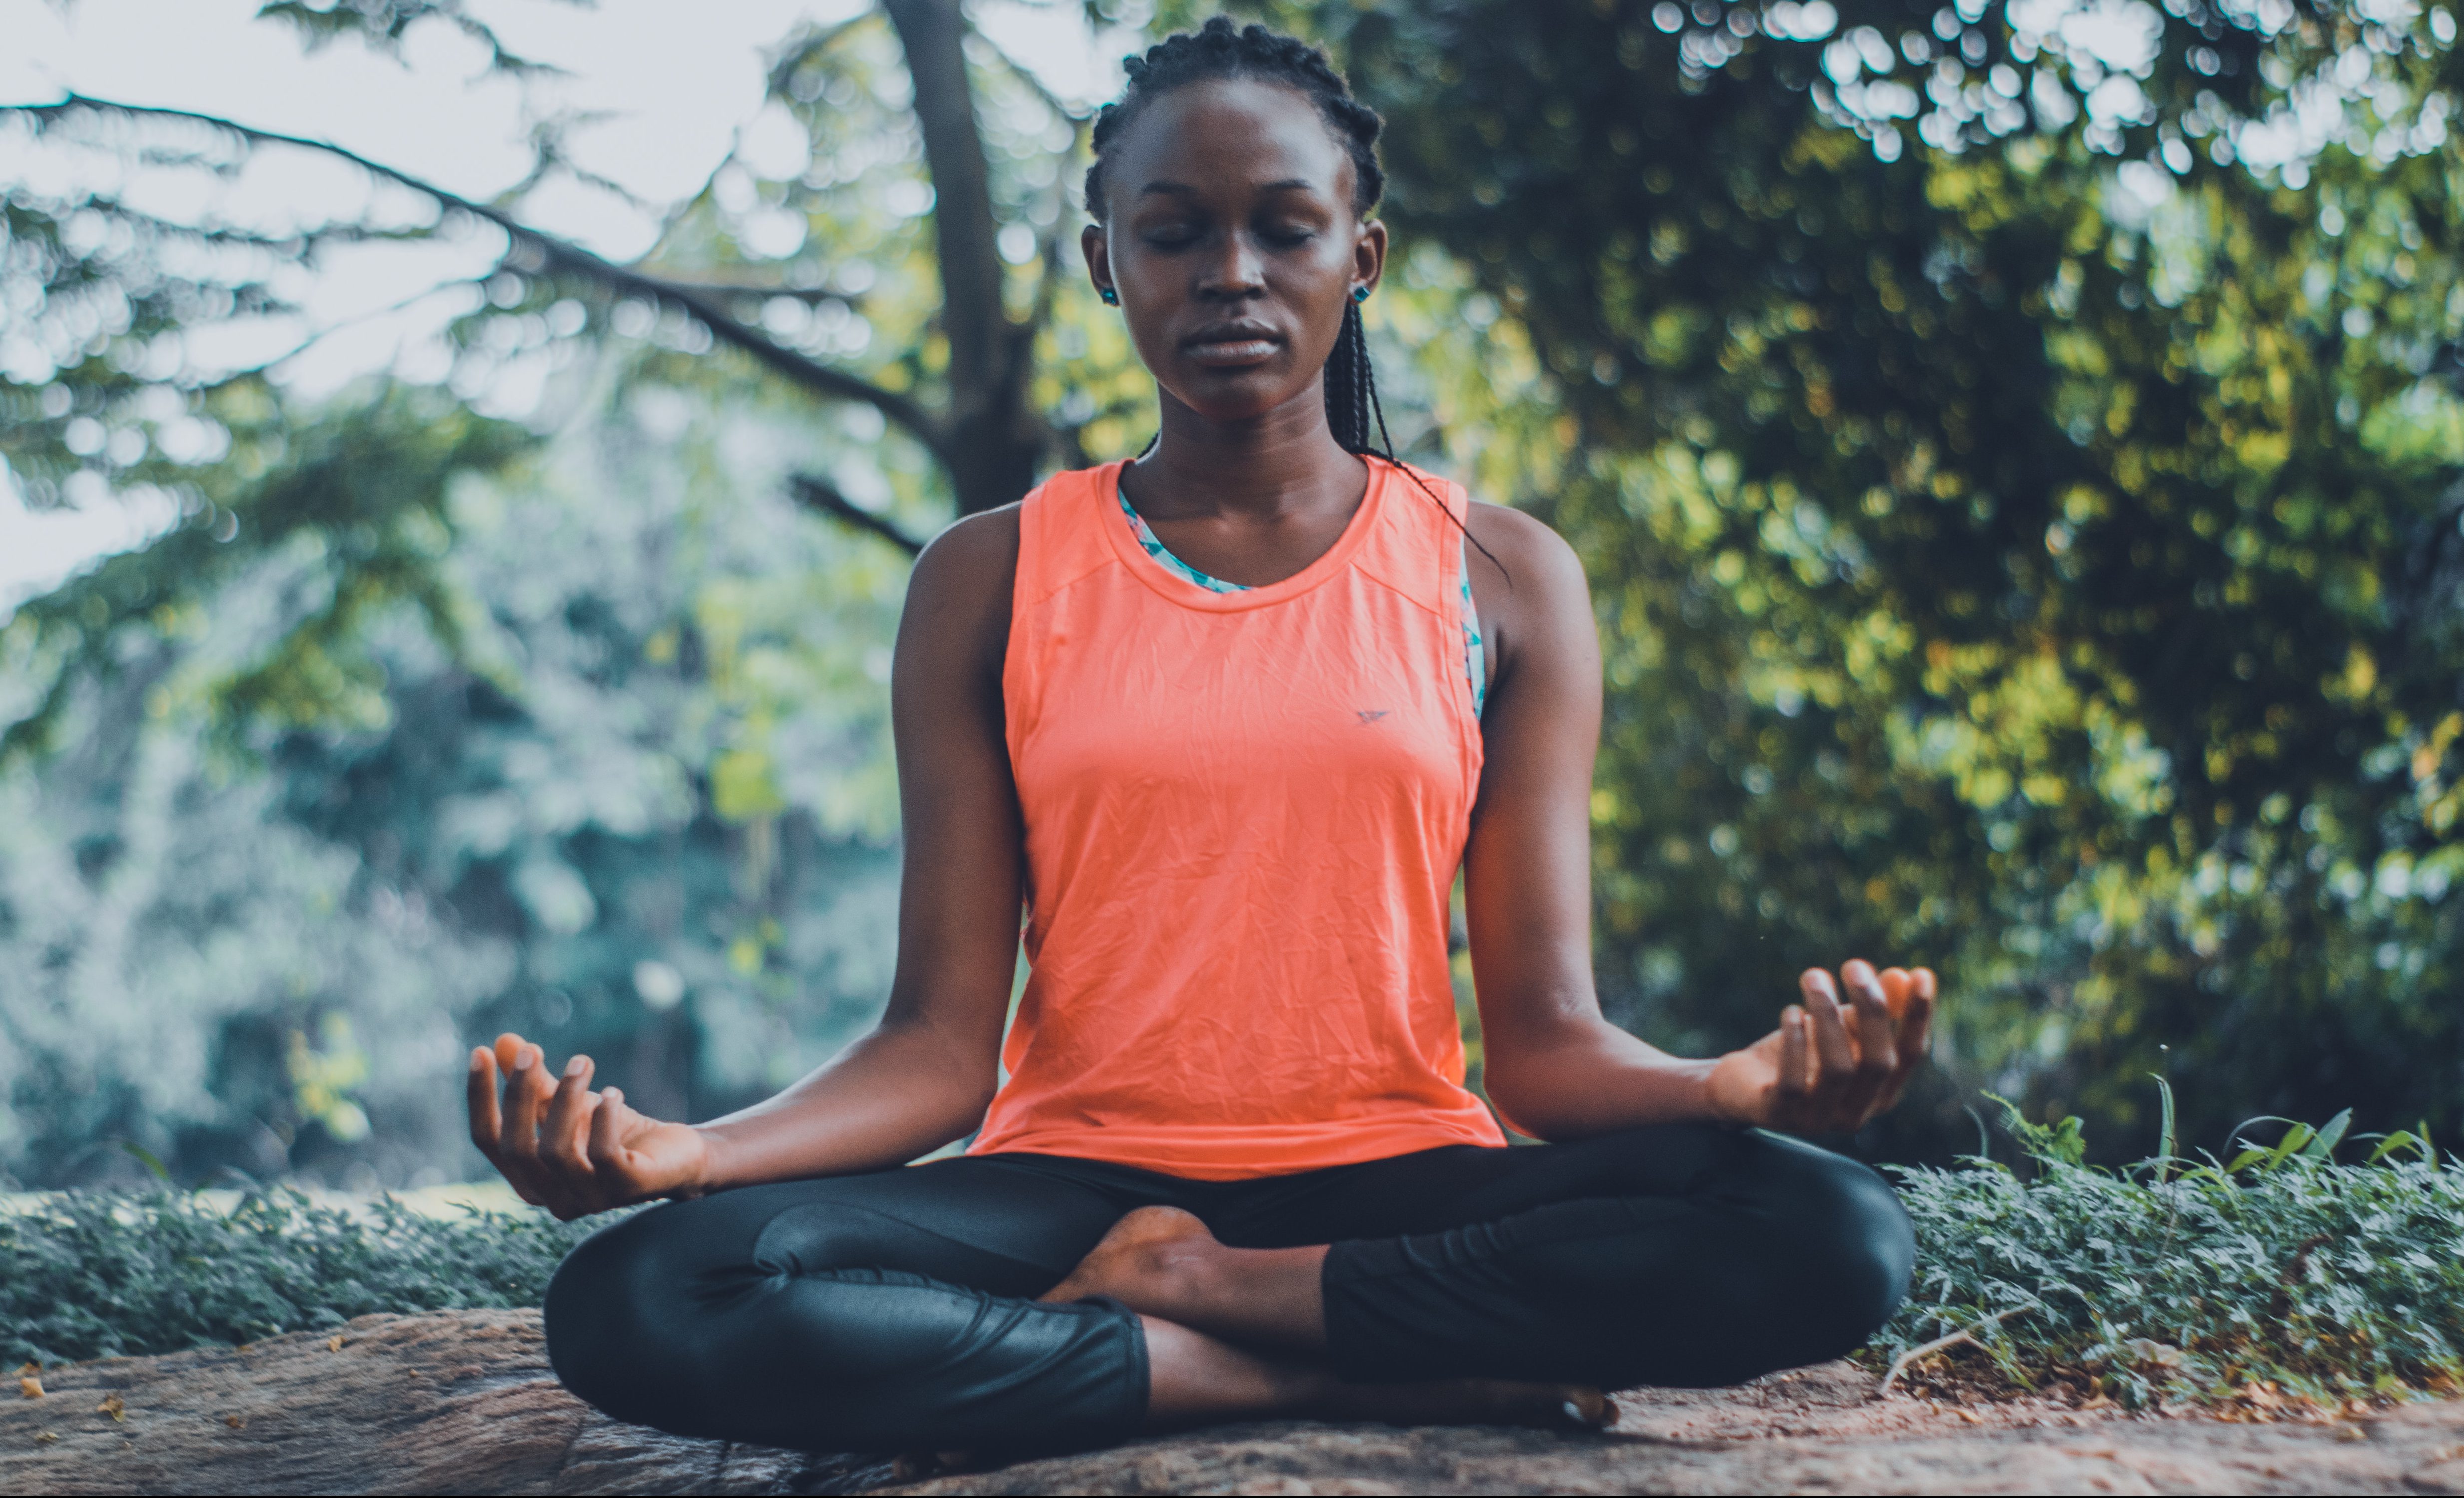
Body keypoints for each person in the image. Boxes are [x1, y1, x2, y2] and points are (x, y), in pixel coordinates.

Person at [464, 17, 1937, 1463]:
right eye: (1175, 233)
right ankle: (1291, 1380)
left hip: (1396, 1181)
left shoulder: (1498, 574)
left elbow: (1546, 1050)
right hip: (1068, 1188)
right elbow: (932, 1049)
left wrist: (1729, 1090)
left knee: (1828, 1230)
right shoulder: (990, 578)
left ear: (1360, 253)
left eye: (1284, 229)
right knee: (649, 1294)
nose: (1231, 272)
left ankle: (1204, 1299)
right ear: (1108, 258)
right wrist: (692, 1154)